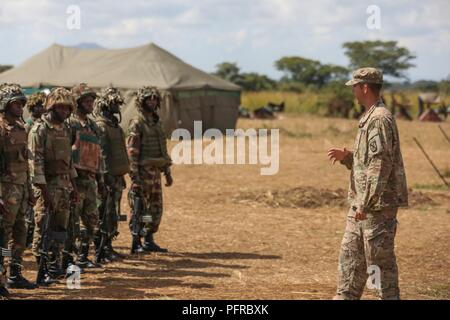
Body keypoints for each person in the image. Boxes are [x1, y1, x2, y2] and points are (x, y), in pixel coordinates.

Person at [328, 67, 408, 300]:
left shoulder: (380, 119)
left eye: (354, 86)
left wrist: (366, 202)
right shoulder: (369, 117)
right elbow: (369, 162)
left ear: (364, 87)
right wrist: (349, 158)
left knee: (379, 270)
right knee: (350, 263)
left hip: (376, 208)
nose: (352, 90)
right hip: (361, 206)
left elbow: (380, 165)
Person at [29, 87, 80, 284]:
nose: (65, 112)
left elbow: (69, 162)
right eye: (61, 108)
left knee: (60, 230)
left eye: (68, 109)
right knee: (43, 229)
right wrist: (45, 193)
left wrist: (74, 188)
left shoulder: (66, 129)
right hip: (46, 187)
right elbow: (35, 164)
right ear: (52, 107)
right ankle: (41, 269)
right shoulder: (39, 130)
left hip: (64, 186)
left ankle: (54, 266)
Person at [127, 86, 172, 254]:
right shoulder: (137, 122)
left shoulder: (156, 122)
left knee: (155, 208)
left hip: (156, 173)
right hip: (143, 174)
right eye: (148, 98)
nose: (152, 101)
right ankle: (136, 240)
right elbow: (132, 152)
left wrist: (167, 172)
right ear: (142, 101)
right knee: (140, 208)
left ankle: (148, 239)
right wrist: (135, 178)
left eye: (155, 98)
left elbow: (162, 148)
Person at [0, 83, 36, 289]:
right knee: (2, 235)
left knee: (20, 233)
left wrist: (30, 191)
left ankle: (15, 272)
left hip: (21, 191)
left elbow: (26, 165)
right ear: (5, 104)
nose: (20, 107)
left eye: (22, 103)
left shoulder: (22, 129)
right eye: (16, 103)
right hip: (5, 192)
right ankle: (1, 274)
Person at [65, 83, 103, 269]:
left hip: (90, 181)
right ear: (77, 102)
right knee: (73, 222)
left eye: (92, 101)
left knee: (91, 220)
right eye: (87, 101)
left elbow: (98, 154)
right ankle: (69, 259)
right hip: (75, 181)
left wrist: (100, 179)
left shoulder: (93, 125)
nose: (91, 104)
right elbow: (65, 154)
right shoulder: (70, 124)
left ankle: (83, 257)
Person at [93, 87, 129, 263]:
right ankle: (101, 248)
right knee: (104, 213)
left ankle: (108, 246)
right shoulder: (101, 126)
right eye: (114, 103)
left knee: (113, 213)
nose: (118, 107)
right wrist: (105, 179)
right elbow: (102, 154)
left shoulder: (115, 126)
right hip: (107, 179)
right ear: (106, 105)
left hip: (116, 178)